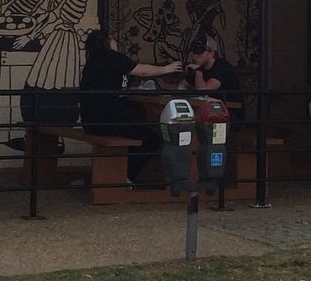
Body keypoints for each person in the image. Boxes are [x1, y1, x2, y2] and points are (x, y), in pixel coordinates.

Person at [79, 30, 183, 183]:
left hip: (91, 120)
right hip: (106, 120)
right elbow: (142, 71)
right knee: (150, 139)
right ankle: (125, 178)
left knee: (139, 130)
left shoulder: (93, 60)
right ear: (107, 42)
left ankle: (114, 176)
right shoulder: (111, 57)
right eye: (113, 40)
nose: (116, 43)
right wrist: (167, 69)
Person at [185, 36, 242, 111]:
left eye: (199, 52)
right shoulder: (196, 67)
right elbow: (184, 86)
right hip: (208, 111)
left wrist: (198, 70)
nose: (195, 56)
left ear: (211, 53)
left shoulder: (222, 66)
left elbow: (204, 91)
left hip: (229, 111)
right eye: (194, 52)